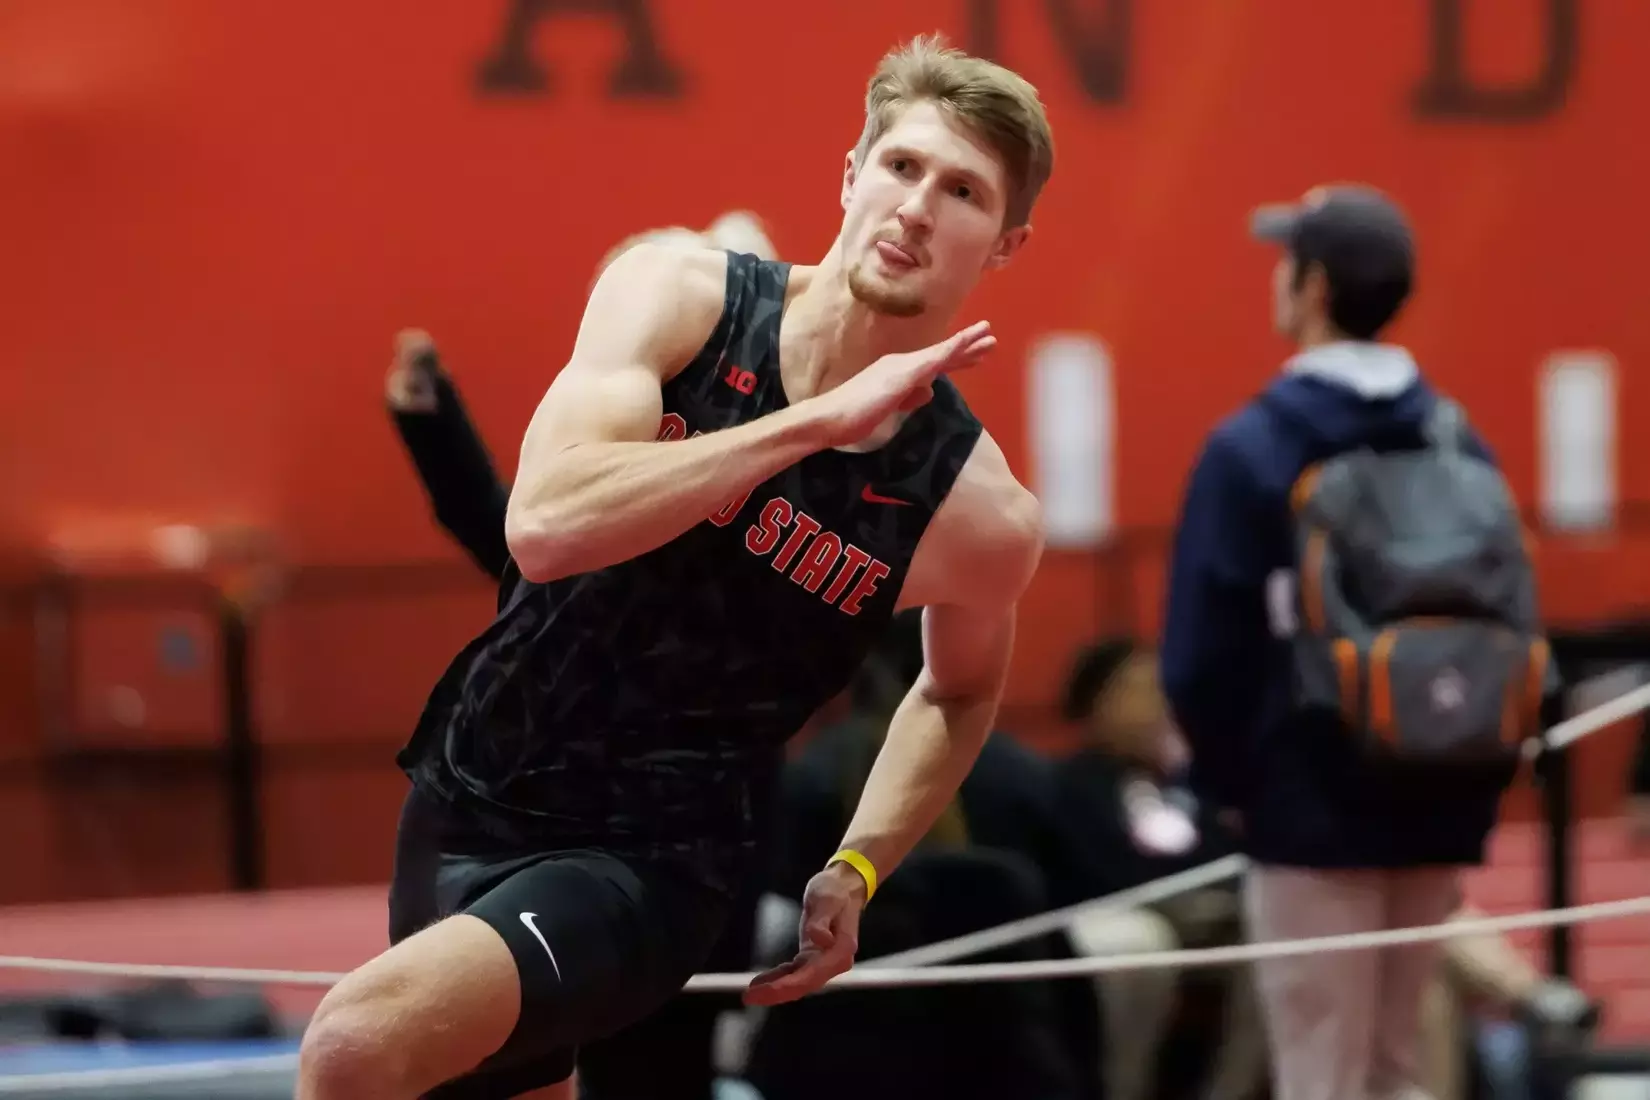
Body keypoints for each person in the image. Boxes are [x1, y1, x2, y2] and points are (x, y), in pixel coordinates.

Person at [297, 32, 1054, 1100]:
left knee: (353, 1044)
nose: (919, 207)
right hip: (468, 787)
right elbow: (544, 524)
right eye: (902, 166)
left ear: (1006, 242)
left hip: (651, 858)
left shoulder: (976, 509)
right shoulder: (680, 296)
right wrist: (813, 424)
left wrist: (862, 860)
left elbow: (960, 687)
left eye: (963, 190)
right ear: (851, 174)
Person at [379, 213, 781, 1100]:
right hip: (548, 837)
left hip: (687, 862)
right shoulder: (599, 471)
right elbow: (509, 533)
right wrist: (433, 422)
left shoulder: (777, 490)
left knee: (657, 1073)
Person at [1161, 184, 1533, 1100]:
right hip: (1443, 785)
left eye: (1287, 263)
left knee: (1319, 1073)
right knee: (1397, 1066)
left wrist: (1230, 789)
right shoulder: (1456, 438)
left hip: (1308, 799)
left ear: (1315, 286)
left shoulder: (1252, 448)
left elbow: (1201, 659)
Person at [1055, 638, 1264, 1100]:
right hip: (1125, 913)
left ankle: (1229, 1090)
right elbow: (1094, 870)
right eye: (1135, 690)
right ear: (1095, 703)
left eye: (1158, 689)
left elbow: (1222, 854)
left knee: (1271, 941)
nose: (1153, 704)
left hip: (1208, 911)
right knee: (1142, 944)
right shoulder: (1075, 783)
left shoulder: (1185, 782)